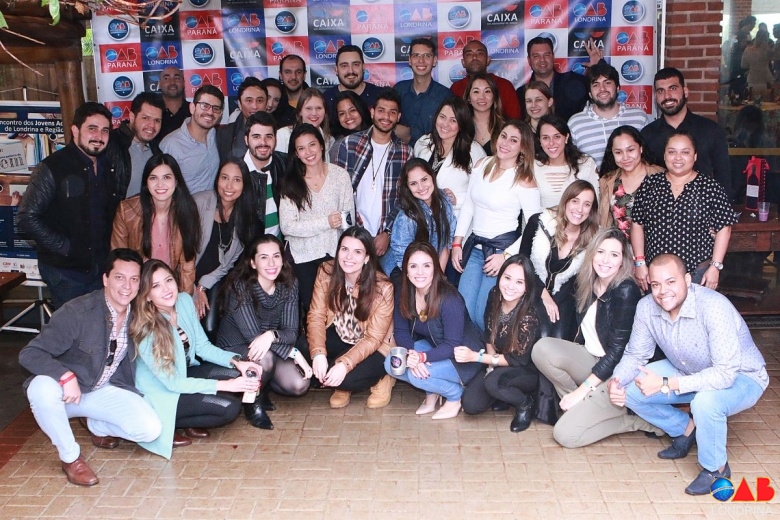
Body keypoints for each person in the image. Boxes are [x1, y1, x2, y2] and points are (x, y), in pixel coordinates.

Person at [609, 254, 768, 495]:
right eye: (656, 284)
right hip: (688, 370)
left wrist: (666, 383)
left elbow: (725, 374)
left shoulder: (714, 307)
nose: (663, 291)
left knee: (706, 402)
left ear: (686, 280)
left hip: (742, 377)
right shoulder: (646, 307)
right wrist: (617, 380)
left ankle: (716, 469)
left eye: (671, 282)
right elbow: (635, 354)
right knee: (631, 389)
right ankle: (685, 430)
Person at [18, 249, 162, 486]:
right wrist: (65, 376)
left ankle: (96, 424)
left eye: (134, 279)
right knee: (41, 388)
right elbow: (30, 354)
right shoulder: (78, 311)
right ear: (105, 279)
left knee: (149, 430)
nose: (127, 286)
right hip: (65, 394)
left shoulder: (138, 314)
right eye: (119, 277)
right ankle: (71, 458)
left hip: (101, 390)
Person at [532, 228, 662, 448]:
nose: (605, 260)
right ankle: (583, 406)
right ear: (592, 253)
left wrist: (581, 391)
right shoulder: (587, 282)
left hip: (617, 374)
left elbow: (617, 352)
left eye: (614, 254)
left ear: (623, 261)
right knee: (542, 349)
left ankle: (631, 421)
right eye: (601, 252)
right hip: (592, 360)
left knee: (565, 435)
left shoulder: (625, 290)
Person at [130, 260, 261, 460]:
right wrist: (227, 385)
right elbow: (173, 383)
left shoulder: (183, 301)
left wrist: (238, 362)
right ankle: (169, 422)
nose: (166, 289)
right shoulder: (147, 329)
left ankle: (192, 416)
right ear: (147, 295)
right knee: (229, 408)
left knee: (236, 375)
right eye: (156, 286)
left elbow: (202, 347)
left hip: (185, 372)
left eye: (168, 280)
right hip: (163, 392)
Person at [18, 102, 127, 309]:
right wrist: (63, 246)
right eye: (92, 128)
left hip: (100, 269)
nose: (99, 136)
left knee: (100, 324)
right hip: (65, 273)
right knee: (74, 327)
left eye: (105, 130)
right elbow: (27, 217)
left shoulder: (108, 167)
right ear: (75, 130)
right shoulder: (52, 167)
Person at [452, 121, 542, 331]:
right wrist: (457, 242)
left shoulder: (524, 179)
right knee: (464, 310)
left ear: (523, 147)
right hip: (475, 248)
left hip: (501, 251)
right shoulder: (481, 165)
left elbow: (534, 227)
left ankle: (488, 350)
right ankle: (469, 350)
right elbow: (469, 206)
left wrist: (507, 256)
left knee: (484, 314)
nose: (506, 143)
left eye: (514, 140)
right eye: (503, 136)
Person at [218, 235, 312, 431]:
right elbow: (253, 338)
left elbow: (291, 332)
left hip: (270, 346)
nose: (271, 263)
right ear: (253, 263)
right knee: (264, 356)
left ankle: (263, 386)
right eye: (263, 257)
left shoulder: (289, 284)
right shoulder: (240, 287)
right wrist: (293, 353)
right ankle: (252, 402)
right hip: (235, 347)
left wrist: (271, 335)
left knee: (299, 384)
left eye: (276, 256)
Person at [387, 242, 482, 420]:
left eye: (426, 266)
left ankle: (455, 395)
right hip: (434, 348)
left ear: (435, 268)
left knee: (415, 376)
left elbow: (452, 345)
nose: (420, 272)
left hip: (462, 358)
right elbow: (400, 331)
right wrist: (412, 355)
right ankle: (431, 391)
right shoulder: (404, 293)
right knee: (392, 364)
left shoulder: (449, 299)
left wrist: (422, 358)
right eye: (413, 266)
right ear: (405, 270)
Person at [631, 131, 736, 290]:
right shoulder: (650, 185)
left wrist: (715, 267)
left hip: (697, 273)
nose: (678, 158)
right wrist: (640, 262)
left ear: (695, 156)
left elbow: (724, 228)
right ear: (664, 155)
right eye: (672, 152)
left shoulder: (710, 188)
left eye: (685, 152)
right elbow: (637, 224)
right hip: (657, 274)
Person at [306, 226, 396, 409]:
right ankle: (339, 378)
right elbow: (316, 316)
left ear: (367, 257)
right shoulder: (326, 271)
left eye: (357, 252)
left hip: (374, 345)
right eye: (344, 249)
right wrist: (318, 353)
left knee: (346, 379)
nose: (348, 257)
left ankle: (385, 377)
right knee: (304, 348)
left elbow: (373, 339)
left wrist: (343, 365)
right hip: (343, 336)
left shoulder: (383, 287)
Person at [456, 254, 542, 432]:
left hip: (525, 369)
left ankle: (525, 403)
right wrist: (490, 365)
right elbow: (489, 334)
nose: (510, 286)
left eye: (519, 282)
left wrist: (477, 357)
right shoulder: (495, 294)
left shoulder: (529, 316)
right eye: (507, 278)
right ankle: (503, 395)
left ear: (527, 287)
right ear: (500, 276)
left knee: (492, 383)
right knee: (470, 404)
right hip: (499, 360)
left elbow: (516, 360)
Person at [279, 124, 355, 312]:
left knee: (335, 310)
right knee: (313, 311)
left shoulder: (340, 176)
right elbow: (287, 226)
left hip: (334, 253)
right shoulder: (291, 182)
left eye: (312, 145)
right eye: (301, 148)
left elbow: (348, 220)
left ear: (321, 145)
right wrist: (326, 222)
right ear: (296, 153)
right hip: (302, 256)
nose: (308, 152)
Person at [334, 89, 412, 257]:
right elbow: (338, 193)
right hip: (353, 234)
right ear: (372, 112)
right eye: (381, 111)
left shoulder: (406, 152)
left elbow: (405, 198)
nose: (386, 117)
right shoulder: (350, 145)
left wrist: (388, 233)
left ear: (398, 117)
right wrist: (351, 233)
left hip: (386, 239)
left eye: (392, 112)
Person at [519, 180, 599, 341]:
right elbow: (522, 262)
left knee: (559, 338)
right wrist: (544, 295)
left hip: (565, 296)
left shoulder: (593, 239)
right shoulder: (539, 222)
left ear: (591, 210)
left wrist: (556, 302)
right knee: (538, 334)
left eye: (586, 204)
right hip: (532, 287)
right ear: (565, 201)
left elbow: (578, 282)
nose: (579, 209)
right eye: (575, 201)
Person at [111, 154, 201, 295]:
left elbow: (187, 264)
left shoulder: (187, 210)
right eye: (153, 178)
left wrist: (184, 298)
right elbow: (119, 259)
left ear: (176, 181)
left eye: (166, 177)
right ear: (146, 182)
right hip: (137, 286)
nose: (160, 184)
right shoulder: (126, 210)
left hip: (169, 286)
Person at [640, 68, 732, 199]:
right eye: (661, 91)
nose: (667, 96)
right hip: (660, 208)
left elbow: (723, 178)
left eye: (673, 88)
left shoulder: (711, 130)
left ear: (685, 92)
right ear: (655, 96)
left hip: (702, 207)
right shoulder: (647, 134)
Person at [193, 159, 257, 338]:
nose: (229, 186)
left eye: (237, 180)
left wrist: (202, 286)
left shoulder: (245, 216)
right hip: (186, 277)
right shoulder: (199, 203)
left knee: (210, 328)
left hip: (212, 280)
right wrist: (193, 288)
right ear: (217, 180)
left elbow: (227, 264)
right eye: (224, 178)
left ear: (244, 185)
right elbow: (182, 253)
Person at [381, 159, 456, 281]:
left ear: (432, 177)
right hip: (403, 270)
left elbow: (445, 245)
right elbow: (403, 258)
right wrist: (425, 282)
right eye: (413, 183)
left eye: (424, 179)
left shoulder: (445, 201)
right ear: (407, 187)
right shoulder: (406, 216)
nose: (421, 187)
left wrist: (437, 280)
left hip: (430, 270)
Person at [414, 97, 486, 220]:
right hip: (422, 220)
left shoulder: (474, 151)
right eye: (442, 117)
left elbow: (483, 192)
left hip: (457, 221)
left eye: (453, 120)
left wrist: (457, 199)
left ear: (461, 124)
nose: (445, 124)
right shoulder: (423, 142)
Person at [567, 60, 649, 168]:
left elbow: (648, 159)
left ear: (618, 88)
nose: (602, 89)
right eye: (596, 85)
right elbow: (570, 163)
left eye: (607, 83)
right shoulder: (575, 123)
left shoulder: (639, 117)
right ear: (590, 94)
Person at [598, 126, 663, 236]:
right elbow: (604, 222)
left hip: (655, 245)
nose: (625, 157)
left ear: (641, 148)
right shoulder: (607, 181)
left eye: (630, 150)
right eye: (618, 152)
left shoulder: (660, 176)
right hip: (618, 245)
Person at [160, 85, 223, 195]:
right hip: (185, 205)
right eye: (205, 106)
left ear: (220, 114)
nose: (210, 112)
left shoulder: (216, 136)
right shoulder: (171, 144)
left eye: (216, 108)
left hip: (213, 204)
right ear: (192, 108)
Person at [393, 38, 453, 146]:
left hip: (432, 153)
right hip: (400, 153)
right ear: (410, 60)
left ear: (434, 60)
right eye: (416, 55)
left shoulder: (445, 96)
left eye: (427, 56)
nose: (421, 60)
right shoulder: (399, 90)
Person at [516, 37, 589, 122]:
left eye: (546, 55)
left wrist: (597, 66)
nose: (542, 60)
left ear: (553, 57)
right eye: (536, 56)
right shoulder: (521, 94)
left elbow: (597, 94)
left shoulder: (575, 83)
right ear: (529, 60)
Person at [534, 115, 599, 209]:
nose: (551, 143)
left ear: (566, 137)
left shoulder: (586, 163)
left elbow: (596, 204)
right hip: (541, 218)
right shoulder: (532, 165)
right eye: (545, 138)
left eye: (557, 137)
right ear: (539, 140)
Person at [106, 92, 164, 198]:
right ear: (132, 117)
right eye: (145, 118)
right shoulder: (109, 143)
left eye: (157, 120)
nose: (152, 125)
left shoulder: (158, 150)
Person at [450, 40, 522, 120]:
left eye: (480, 53)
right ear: (463, 62)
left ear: (488, 60)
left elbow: (515, 122)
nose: (474, 57)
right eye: (469, 54)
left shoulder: (504, 86)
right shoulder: (455, 88)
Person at [243, 111, 284, 239]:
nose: (263, 142)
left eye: (268, 136)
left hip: (281, 245)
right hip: (249, 247)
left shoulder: (285, 164)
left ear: (275, 139)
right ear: (246, 140)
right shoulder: (236, 172)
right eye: (256, 137)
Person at [323, 45, 383, 117]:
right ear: (336, 70)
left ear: (363, 67)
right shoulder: (325, 100)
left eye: (356, 65)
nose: (351, 71)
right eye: (344, 66)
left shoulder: (380, 96)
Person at [217, 77, 267, 162]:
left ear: (266, 104)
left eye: (259, 101)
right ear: (240, 104)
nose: (254, 106)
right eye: (249, 101)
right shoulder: (225, 133)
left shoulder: (279, 133)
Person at [275, 88, 334, 156]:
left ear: (325, 111)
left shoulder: (330, 140)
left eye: (319, 108)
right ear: (300, 111)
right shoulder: (283, 135)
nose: (314, 113)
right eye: (308, 108)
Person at [464, 73, 504, 156]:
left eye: (487, 91)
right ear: (469, 98)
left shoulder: (506, 127)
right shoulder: (460, 128)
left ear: (494, 97)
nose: (482, 97)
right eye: (476, 91)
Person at [328, 91, 371, 163]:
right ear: (337, 118)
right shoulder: (339, 145)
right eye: (342, 113)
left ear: (361, 109)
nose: (348, 116)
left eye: (352, 110)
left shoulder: (375, 135)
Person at [157, 66, 190, 140]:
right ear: (159, 84)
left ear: (183, 83)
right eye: (166, 78)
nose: (172, 82)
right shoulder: (152, 112)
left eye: (177, 78)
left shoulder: (194, 111)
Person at [741, 29, 774, 100]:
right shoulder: (768, 51)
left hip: (752, 79)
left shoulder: (748, 50)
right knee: (766, 102)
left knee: (752, 100)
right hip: (765, 79)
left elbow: (743, 65)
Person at [278, 54, 309, 119]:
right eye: (288, 72)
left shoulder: (316, 100)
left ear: (304, 75)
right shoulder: (275, 104)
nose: (293, 77)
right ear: (280, 75)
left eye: (298, 72)